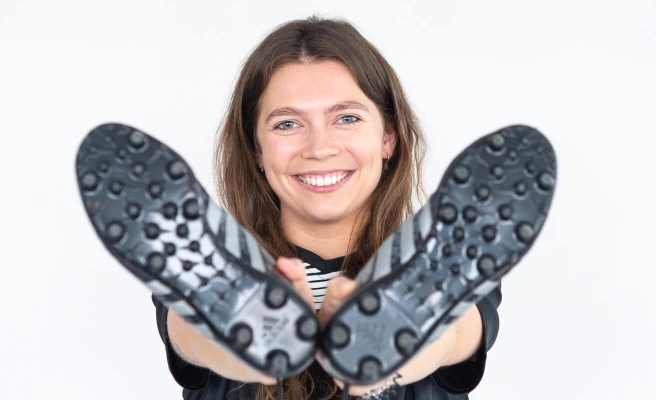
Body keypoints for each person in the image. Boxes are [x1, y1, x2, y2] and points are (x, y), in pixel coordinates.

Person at [152, 15, 502, 400]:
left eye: (346, 118)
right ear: (257, 150)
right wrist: (250, 343)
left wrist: (385, 347)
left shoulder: (448, 263)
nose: (319, 148)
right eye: (287, 124)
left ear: (388, 137)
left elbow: (453, 335)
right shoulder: (201, 263)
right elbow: (191, 332)